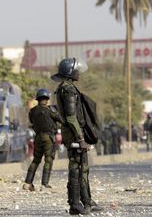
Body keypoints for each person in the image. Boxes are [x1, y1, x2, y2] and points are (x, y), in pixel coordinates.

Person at [51, 57, 102, 215]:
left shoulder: (64, 88)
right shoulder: (69, 90)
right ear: (70, 72)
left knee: (82, 168)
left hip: (72, 133)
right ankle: (75, 204)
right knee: (76, 168)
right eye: (76, 70)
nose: (79, 73)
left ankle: (86, 200)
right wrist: (80, 139)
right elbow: (71, 117)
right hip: (74, 134)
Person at [23, 89, 64, 191]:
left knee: (36, 160)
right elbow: (61, 120)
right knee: (48, 160)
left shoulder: (32, 111)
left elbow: (32, 121)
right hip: (48, 138)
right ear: (47, 99)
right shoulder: (50, 110)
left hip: (37, 138)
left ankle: (27, 183)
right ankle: (44, 184)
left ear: (38, 99)